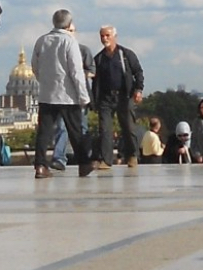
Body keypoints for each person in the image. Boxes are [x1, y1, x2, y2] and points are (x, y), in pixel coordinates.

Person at [30, 10, 96, 179]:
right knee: (76, 131)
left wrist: (44, 81)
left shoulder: (42, 40)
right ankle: (84, 163)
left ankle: (40, 166)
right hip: (67, 95)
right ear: (68, 24)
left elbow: (35, 66)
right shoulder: (69, 42)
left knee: (44, 132)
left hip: (47, 94)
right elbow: (76, 71)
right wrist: (83, 96)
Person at [93, 24, 143, 169]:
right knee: (105, 129)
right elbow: (96, 81)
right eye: (102, 36)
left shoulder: (126, 55)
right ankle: (106, 160)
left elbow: (138, 72)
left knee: (128, 127)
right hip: (106, 99)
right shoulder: (99, 58)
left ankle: (132, 155)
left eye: (107, 35)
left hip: (124, 96)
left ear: (114, 36)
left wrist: (138, 90)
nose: (104, 38)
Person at [51, 36, 95, 170]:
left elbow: (92, 72)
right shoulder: (56, 51)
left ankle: (85, 157)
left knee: (81, 128)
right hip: (62, 96)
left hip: (78, 95)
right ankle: (59, 158)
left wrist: (76, 74)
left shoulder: (83, 50)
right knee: (61, 127)